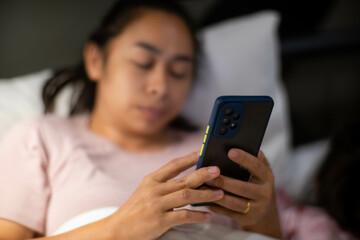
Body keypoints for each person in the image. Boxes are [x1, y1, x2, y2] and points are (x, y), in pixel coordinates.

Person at [0, 0, 282, 239]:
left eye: (179, 71)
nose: (160, 86)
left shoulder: (216, 155)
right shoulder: (42, 138)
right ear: (96, 60)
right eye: (143, 63)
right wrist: (118, 228)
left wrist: (265, 216)